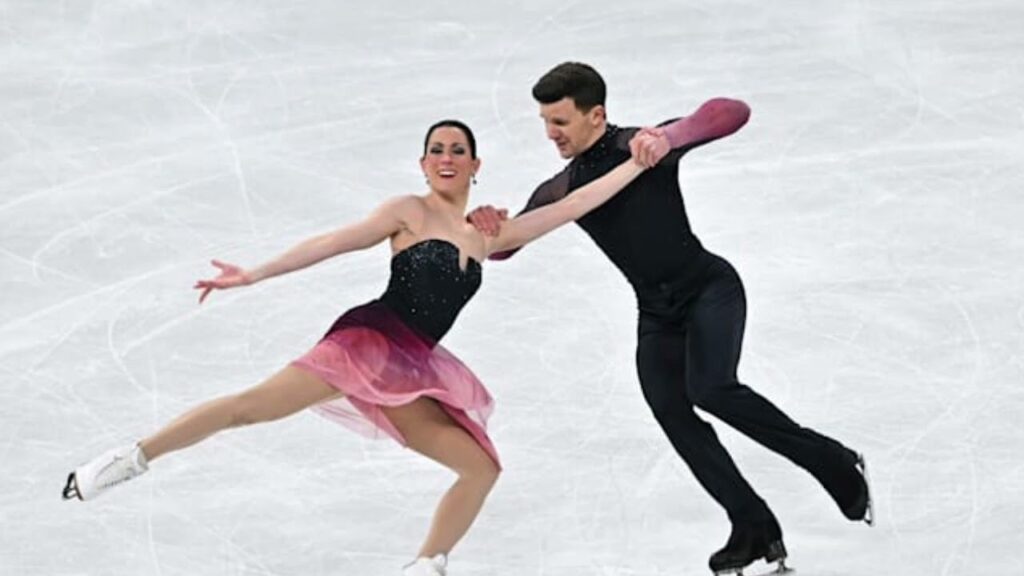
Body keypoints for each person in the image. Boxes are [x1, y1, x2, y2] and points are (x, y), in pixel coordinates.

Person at [62, 119, 648, 576]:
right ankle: (127, 460)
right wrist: (255, 274)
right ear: (423, 164)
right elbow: (333, 242)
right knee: (250, 408)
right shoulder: (407, 212)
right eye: (436, 150)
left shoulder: (489, 234)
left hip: (412, 364)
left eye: (457, 150)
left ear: (476, 164)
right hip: (366, 341)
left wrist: (637, 163)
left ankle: (427, 563)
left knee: (479, 468)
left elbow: (571, 206)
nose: (446, 158)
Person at [468, 62, 873, 575]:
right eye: (545, 122)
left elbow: (732, 112)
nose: (551, 133)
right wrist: (486, 223)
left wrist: (669, 137)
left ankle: (833, 461)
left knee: (712, 389)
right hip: (657, 315)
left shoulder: (641, 147)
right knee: (671, 410)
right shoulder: (563, 186)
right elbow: (508, 247)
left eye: (561, 121)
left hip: (708, 291)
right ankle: (752, 525)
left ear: (597, 115)